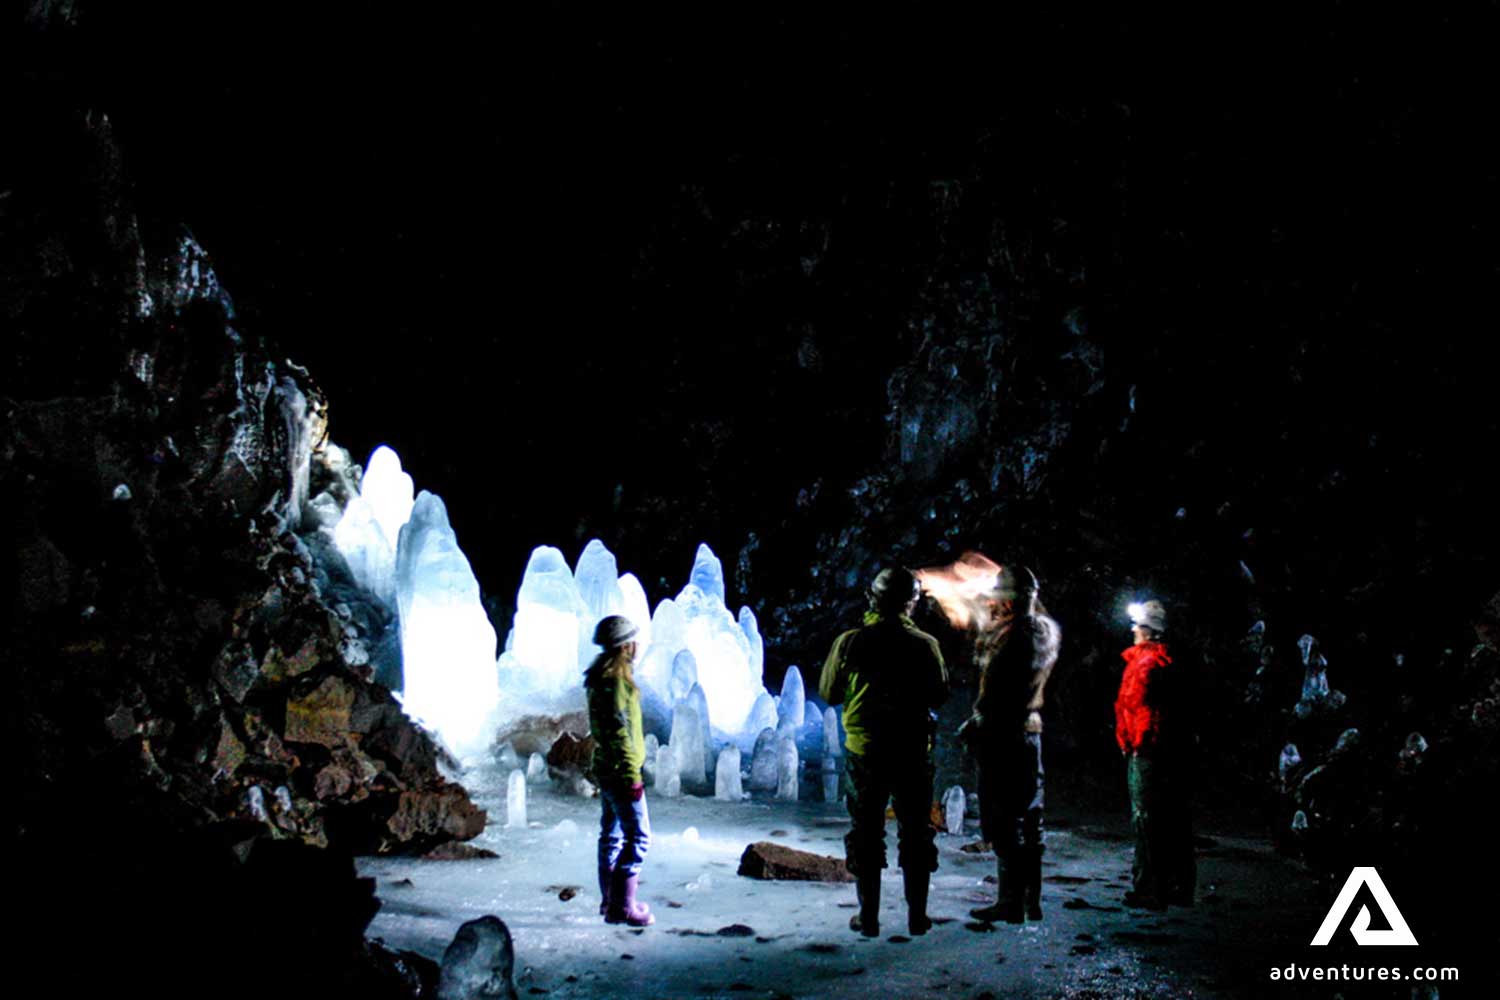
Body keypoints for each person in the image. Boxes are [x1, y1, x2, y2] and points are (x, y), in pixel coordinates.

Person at [819, 567, 949, 937]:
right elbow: (939, 694)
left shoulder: (850, 642)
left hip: (866, 751)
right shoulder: (926, 645)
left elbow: (829, 692)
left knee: (865, 830)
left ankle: (869, 917)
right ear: (912, 603)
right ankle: (917, 916)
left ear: (871, 597)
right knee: (916, 831)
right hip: (911, 751)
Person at [957, 565, 1060, 923]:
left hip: (1004, 736)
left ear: (1011, 602)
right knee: (1031, 818)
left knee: (1004, 819)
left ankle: (1010, 902)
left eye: (999, 600)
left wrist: (975, 722)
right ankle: (1031, 901)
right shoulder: (1047, 631)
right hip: (1031, 734)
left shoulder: (1012, 638)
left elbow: (995, 690)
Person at [1114, 598, 1196, 909]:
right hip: (1171, 751)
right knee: (1174, 817)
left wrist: (1135, 745)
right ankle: (1179, 887)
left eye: (1138, 625)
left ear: (1150, 631)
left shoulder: (1145, 664)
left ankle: (1150, 889)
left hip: (1147, 753)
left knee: (1147, 820)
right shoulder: (1172, 661)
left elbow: (1139, 709)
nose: (1133, 630)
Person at [585, 614, 654, 927]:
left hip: (607, 770)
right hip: (620, 773)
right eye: (633, 639)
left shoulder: (601, 679)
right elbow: (618, 734)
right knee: (639, 838)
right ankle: (623, 907)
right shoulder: (616, 684)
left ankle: (608, 900)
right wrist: (632, 776)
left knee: (611, 837)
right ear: (625, 645)